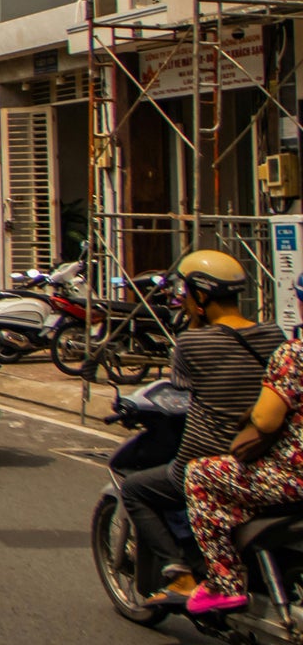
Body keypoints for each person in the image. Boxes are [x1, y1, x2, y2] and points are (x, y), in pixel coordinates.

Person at [118, 250, 284, 604]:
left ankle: (180, 576)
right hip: (266, 456)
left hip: (208, 460)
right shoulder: (273, 334)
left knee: (134, 489)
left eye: (186, 293)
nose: (182, 300)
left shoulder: (193, 342)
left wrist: (193, 323)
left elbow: (181, 387)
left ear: (201, 295)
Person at [182, 275, 303, 615]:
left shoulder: (293, 354)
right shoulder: (272, 334)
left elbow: (266, 420)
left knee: (199, 474)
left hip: (293, 477)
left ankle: (225, 581)